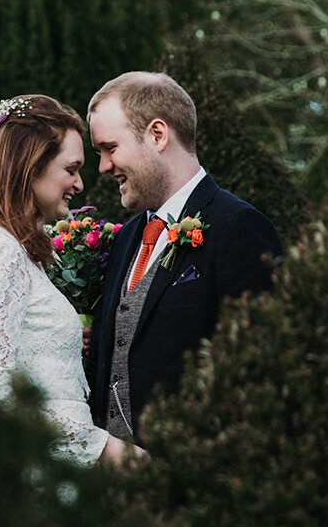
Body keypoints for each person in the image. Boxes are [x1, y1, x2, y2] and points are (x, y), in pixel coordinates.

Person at [84, 71, 282, 445]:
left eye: (110, 148)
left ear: (158, 135)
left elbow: (258, 369)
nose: (104, 167)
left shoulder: (238, 227)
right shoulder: (126, 239)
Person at [0, 94, 144, 466]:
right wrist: (106, 450)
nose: (80, 184)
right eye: (71, 169)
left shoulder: (11, 250)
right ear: (29, 167)